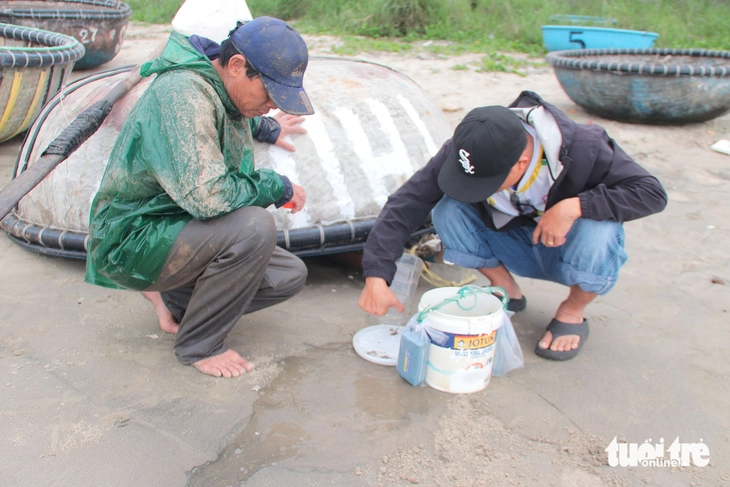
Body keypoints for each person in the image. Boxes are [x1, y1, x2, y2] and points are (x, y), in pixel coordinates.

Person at [358, 91, 667, 360]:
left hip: (567, 248)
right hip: (510, 242)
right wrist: (376, 275)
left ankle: (572, 309)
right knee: (447, 207)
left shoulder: (585, 146)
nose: (474, 186)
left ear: (521, 162)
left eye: (485, 182)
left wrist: (574, 207)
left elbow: (652, 192)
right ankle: (507, 290)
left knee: (603, 229)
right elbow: (405, 204)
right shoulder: (470, 148)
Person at [85, 17, 315, 378]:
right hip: (132, 236)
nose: (272, 105)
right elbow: (208, 198)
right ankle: (199, 345)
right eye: (269, 94)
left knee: (287, 275)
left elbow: (234, 114)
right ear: (237, 66)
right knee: (254, 226)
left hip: (172, 226)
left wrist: (269, 126)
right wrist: (276, 186)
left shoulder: (221, 86)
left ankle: (174, 299)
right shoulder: (182, 95)